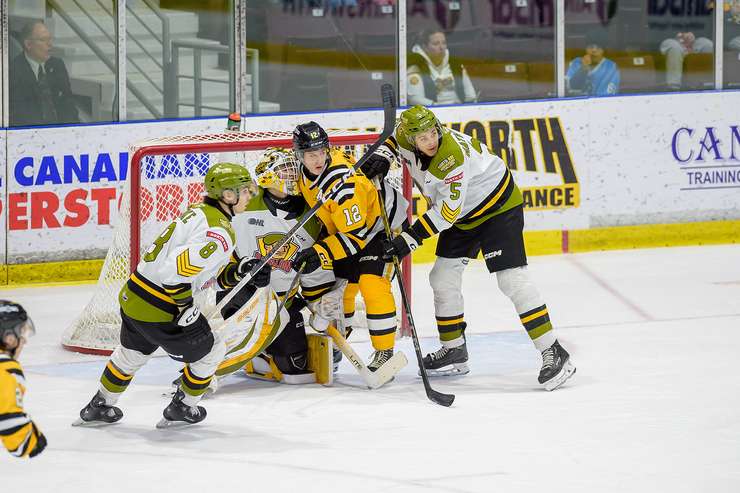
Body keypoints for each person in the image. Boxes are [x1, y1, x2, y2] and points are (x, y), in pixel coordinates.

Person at [361, 105, 576, 391]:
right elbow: (393, 139)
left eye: (432, 133)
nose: (430, 140)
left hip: (497, 208)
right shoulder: (404, 135)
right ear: (411, 138)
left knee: (511, 280)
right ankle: (454, 350)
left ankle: (553, 351)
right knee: (441, 277)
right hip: (464, 215)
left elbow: (446, 215)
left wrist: (406, 242)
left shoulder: (450, 158)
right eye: (422, 138)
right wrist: (385, 156)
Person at [76, 163, 269, 428]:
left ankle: (99, 405)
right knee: (213, 349)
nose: (249, 196)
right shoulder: (221, 231)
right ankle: (183, 406)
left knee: (132, 353)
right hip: (160, 306)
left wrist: (241, 270)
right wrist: (186, 308)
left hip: (133, 297)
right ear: (227, 195)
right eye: (244, 191)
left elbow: (204, 275)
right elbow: (175, 273)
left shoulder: (199, 213)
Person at [211, 148, 339, 386]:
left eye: (293, 169)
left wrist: (320, 309)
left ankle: (262, 351)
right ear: (266, 174)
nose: (291, 176)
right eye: (284, 170)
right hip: (244, 298)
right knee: (230, 338)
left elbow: (314, 272)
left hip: (283, 304)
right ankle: (227, 356)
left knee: (297, 372)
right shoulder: (245, 203)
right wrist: (240, 273)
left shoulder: (312, 215)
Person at [291, 122, 408, 372]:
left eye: (322, 152)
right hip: (347, 232)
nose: (318, 159)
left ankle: (384, 352)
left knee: (371, 283)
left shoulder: (342, 186)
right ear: (299, 156)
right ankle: (337, 344)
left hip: (380, 228)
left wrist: (320, 251)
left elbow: (355, 238)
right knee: (341, 291)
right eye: (311, 154)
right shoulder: (302, 175)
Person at [9, 20, 79, 126]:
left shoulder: (57, 65)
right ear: (28, 44)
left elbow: (68, 104)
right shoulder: (13, 70)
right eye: (43, 40)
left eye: (50, 39)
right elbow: (20, 115)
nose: (50, 44)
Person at [0, 301, 47, 458]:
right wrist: (33, 442)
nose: (24, 340)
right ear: (8, 337)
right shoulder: (5, 368)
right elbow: (16, 438)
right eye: (21, 333)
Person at [407, 29, 477, 106]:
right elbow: (414, 99)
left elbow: (471, 96)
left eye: (444, 43)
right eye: (435, 44)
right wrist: (438, 108)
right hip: (431, 114)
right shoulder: (415, 67)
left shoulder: (456, 65)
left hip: (459, 111)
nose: (441, 47)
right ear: (425, 47)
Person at [657, 1, 714, 89]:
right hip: (671, 40)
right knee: (674, 47)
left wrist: (693, 36)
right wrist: (678, 36)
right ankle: (673, 87)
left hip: (692, 43)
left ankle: (709, 84)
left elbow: (707, 26)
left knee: (707, 44)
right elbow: (654, 27)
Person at [565, 30, 620, 96]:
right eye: (591, 46)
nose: (594, 50)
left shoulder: (611, 67)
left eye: (598, 47)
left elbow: (608, 95)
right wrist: (583, 69)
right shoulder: (576, 63)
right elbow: (571, 89)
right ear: (586, 48)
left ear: (604, 49)